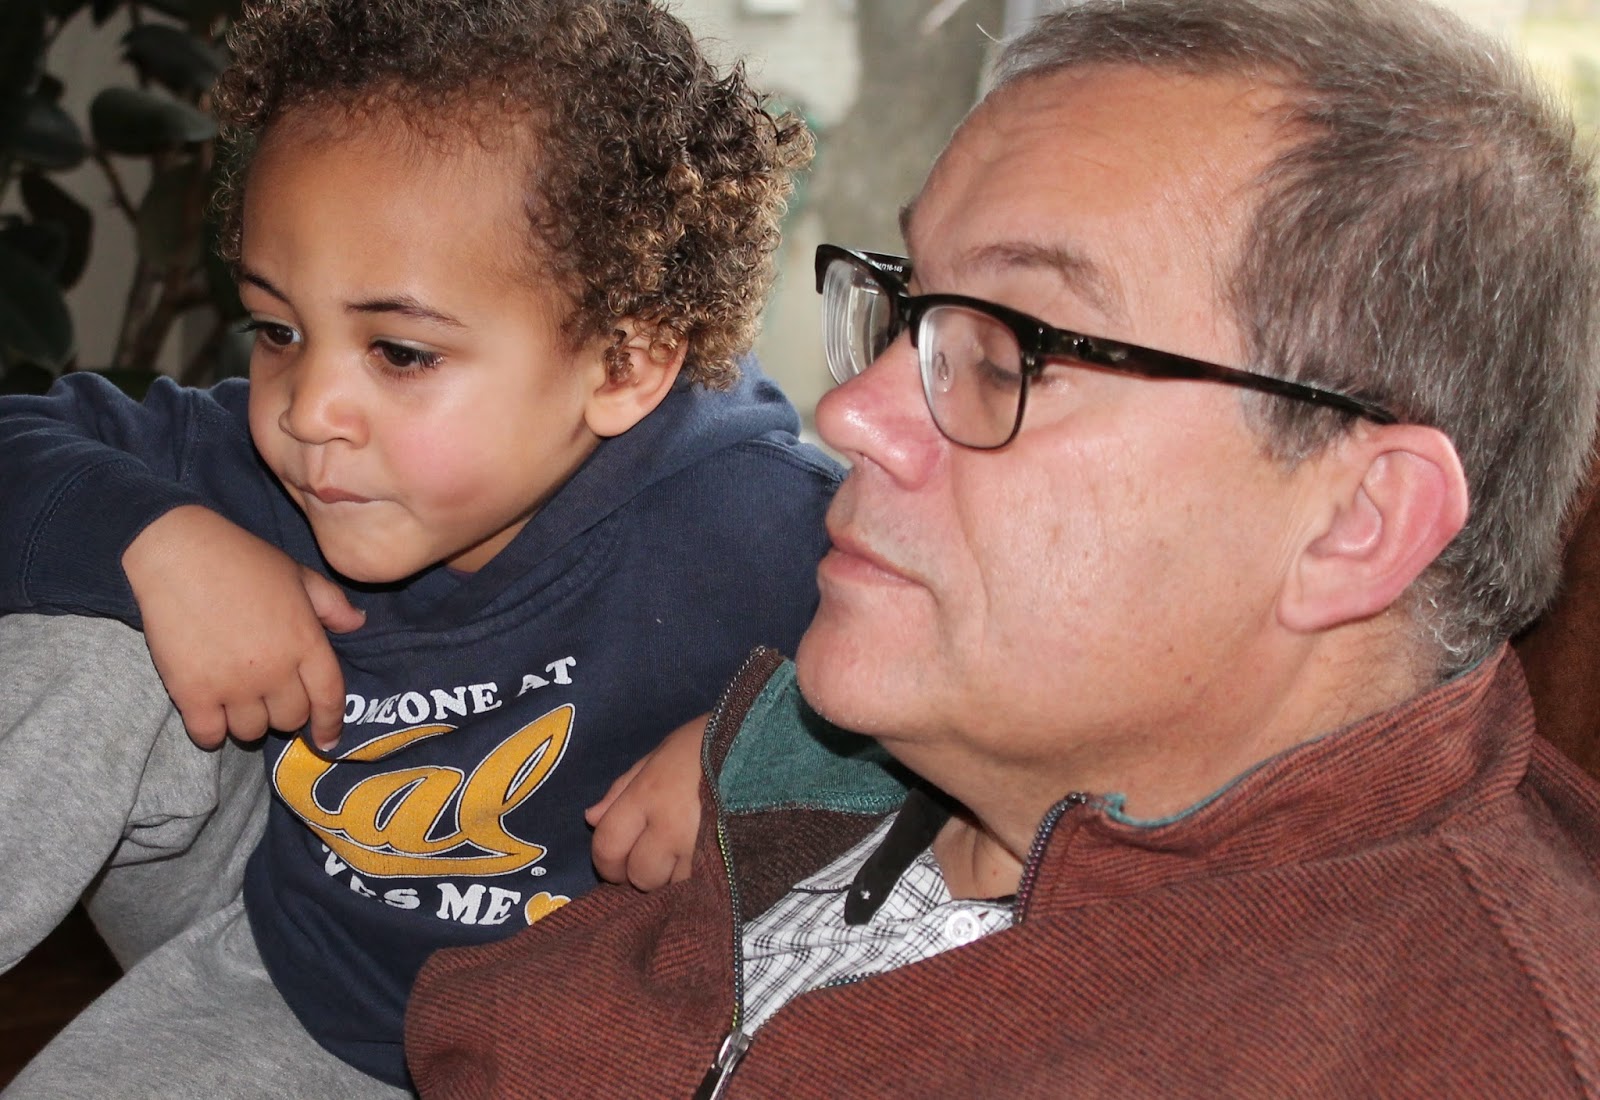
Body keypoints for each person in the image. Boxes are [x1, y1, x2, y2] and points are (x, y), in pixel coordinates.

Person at [402, 0, 1600, 1095]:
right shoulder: (825, 766)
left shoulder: (1468, 1048)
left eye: (1014, 349)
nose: (850, 412)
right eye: (909, 309)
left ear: (1355, 522)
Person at [0, 0, 836, 1094]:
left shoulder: (758, 520)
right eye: (278, 330)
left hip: (587, 1042)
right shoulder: (268, 461)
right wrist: (160, 540)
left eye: (398, 352)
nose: (308, 409)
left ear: (623, 365)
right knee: (88, 621)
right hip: (303, 973)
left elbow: (990, 684)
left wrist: (765, 741)